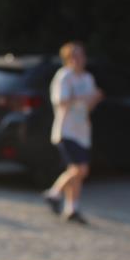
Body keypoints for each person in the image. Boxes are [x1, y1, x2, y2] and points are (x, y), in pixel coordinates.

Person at [43, 41, 103, 224]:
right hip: (66, 130)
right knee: (80, 169)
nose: (78, 59)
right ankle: (54, 192)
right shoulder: (64, 77)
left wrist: (95, 99)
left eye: (81, 55)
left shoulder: (88, 78)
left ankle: (71, 208)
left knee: (76, 172)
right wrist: (83, 98)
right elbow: (61, 102)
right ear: (67, 58)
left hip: (82, 131)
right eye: (74, 56)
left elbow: (88, 107)